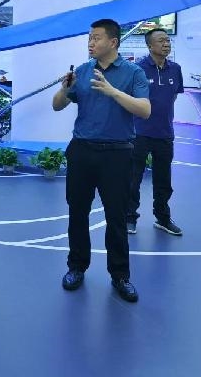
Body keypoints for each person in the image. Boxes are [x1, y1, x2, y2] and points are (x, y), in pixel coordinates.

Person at [51, 18, 150, 303]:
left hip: (117, 154)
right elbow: (57, 105)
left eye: (96, 38)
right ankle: (76, 267)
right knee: (77, 212)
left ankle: (120, 275)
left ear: (113, 42)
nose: (90, 43)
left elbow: (144, 110)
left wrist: (112, 91)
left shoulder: (133, 73)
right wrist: (63, 89)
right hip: (82, 150)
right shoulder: (82, 71)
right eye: (89, 38)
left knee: (116, 216)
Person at [128, 28, 185, 236]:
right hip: (139, 133)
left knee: (163, 181)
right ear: (149, 46)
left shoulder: (175, 69)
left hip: (164, 133)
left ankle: (163, 218)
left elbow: (173, 96)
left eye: (168, 40)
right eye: (161, 41)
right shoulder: (137, 69)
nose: (166, 44)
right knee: (133, 179)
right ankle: (129, 218)